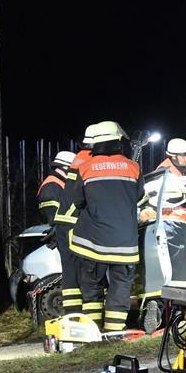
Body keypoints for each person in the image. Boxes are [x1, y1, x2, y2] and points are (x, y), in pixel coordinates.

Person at [65, 121, 145, 331]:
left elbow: (77, 200)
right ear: (118, 141)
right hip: (124, 243)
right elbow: (138, 196)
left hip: (92, 243)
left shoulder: (85, 167)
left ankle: (93, 330)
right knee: (120, 287)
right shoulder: (133, 167)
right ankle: (114, 331)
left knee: (91, 286)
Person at [52, 124, 97, 315]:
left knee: (71, 272)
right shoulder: (89, 160)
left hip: (67, 222)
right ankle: (85, 318)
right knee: (82, 272)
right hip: (74, 222)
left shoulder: (80, 157)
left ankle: (73, 315)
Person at [37, 151, 75, 225]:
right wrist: (56, 227)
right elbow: (50, 212)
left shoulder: (60, 183)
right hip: (59, 233)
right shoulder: (52, 185)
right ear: (65, 168)